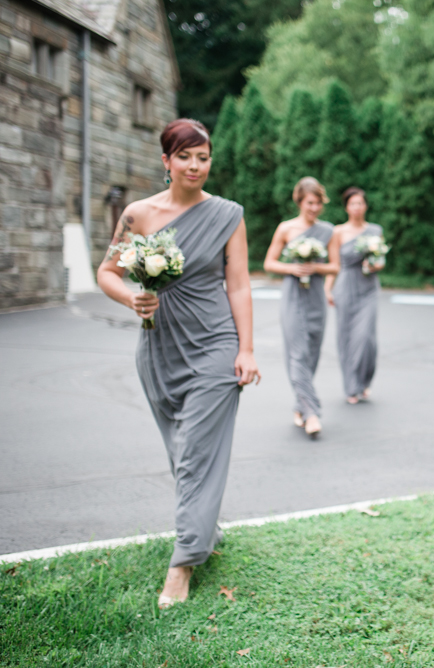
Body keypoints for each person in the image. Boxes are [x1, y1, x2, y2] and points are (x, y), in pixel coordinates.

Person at [96, 119, 261, 609]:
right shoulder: (138, 215)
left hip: (214, 344)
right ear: (166, 161)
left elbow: (239, 284)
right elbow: (107, 272)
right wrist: (131, 299)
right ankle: (203, 527)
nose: (195, 165)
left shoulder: (228, 214)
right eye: (184, 156)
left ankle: (182, 565)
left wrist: (246, 348)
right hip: (158, 347)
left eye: (203, 157)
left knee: (194, 452)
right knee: (181, 451)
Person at [263, 178, 340, 437]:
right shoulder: (286, 228)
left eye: (319, 203)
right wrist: (291, 268)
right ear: (299, 201)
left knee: (312, 354)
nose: (314, 207)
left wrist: (315, 267)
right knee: (297, 353)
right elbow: (269, 263)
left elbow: (335, 266)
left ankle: (300, 404)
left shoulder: (329, 231)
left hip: (317, 296)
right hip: (293, 296)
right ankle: (312, 412)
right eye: (310, 202)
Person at [326, 187, 383, 404]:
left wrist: (376, 265)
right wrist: (327, 288)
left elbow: (381, 260)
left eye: (360, 203)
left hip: (368, 288)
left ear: (365, 206)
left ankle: (364, 381)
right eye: (352, 203)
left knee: (366, 338)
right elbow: (334, 264)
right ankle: (351, 387)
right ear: (346, 207)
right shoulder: (338, 232)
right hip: (345, 286)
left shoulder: (375, 231)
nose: (357, 207)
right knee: (347, 337)